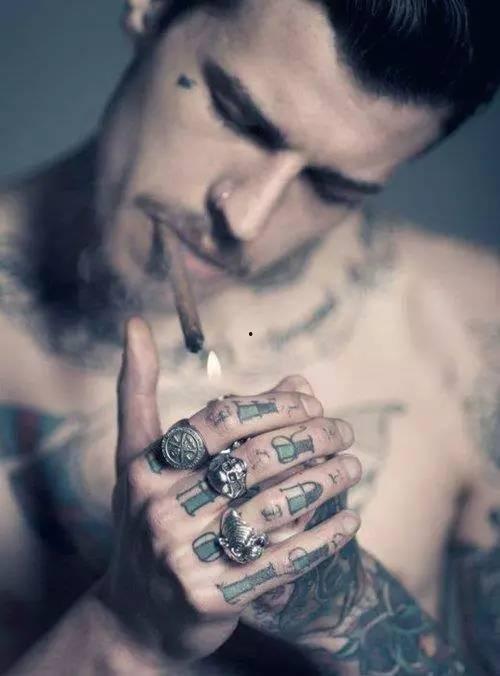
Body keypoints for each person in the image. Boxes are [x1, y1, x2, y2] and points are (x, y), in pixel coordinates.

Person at [0, 0, 499, 673]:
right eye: (240, 118)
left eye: (332, 187)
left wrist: (346, 608)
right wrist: (124, 633)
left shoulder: (475, 339)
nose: (244, 219)